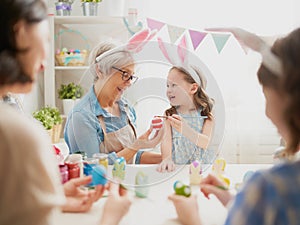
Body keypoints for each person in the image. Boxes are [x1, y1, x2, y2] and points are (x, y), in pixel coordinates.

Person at [0, 0, 130, 224]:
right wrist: (110, 218)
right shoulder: (17, 132)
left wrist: (56, 198)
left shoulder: (126, 109)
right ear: (20, 33)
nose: (43, 64)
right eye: (45, 41)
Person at [168, 27, 300, 225]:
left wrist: (191, 220)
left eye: (267, 96)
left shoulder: (269, 188)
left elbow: (204, 142)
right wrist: (238, 201)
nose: (266, 112)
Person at [64, 41, 163, 164]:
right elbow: (92, 167)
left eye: (131, 76)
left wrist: (166, 158)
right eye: (125, 74)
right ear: (100, 70)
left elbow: (132, 157)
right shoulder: (81, 117)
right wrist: (136, 146)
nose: (129, 82)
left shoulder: (127, 109)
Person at [157, 66, 214, 172]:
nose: (169, 90)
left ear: (193, 88)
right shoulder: (169, 114)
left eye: (174, 85)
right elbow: (166, 140)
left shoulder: (205, 113)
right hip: (178, 168)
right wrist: (166, 159)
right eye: (167, 85)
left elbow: (205, 142)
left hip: (203, 168)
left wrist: (186, 130)